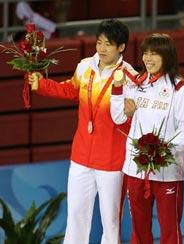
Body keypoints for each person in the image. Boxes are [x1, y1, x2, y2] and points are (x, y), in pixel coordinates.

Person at [28, 19, 135, 244]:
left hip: (111, 160)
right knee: (76, 215)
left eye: (108, 44)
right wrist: (42, 84)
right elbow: (70, 89)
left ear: (121, 47)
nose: (102, 48)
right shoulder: (85, 65)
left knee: (111, 221)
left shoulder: (130, 77)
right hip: (81, 156)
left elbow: (135, 114)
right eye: (99, 43)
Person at [110, 33, 184, 244]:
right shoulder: (136, 84)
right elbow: (118, 116)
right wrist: (118, 91)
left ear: (167, 56)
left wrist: (163, 152)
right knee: (139, 228)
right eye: (145, 53)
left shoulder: (180, 88)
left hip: (167, 170)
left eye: (154, 53)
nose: (148, 58)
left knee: (169, 230)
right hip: (135, 168)